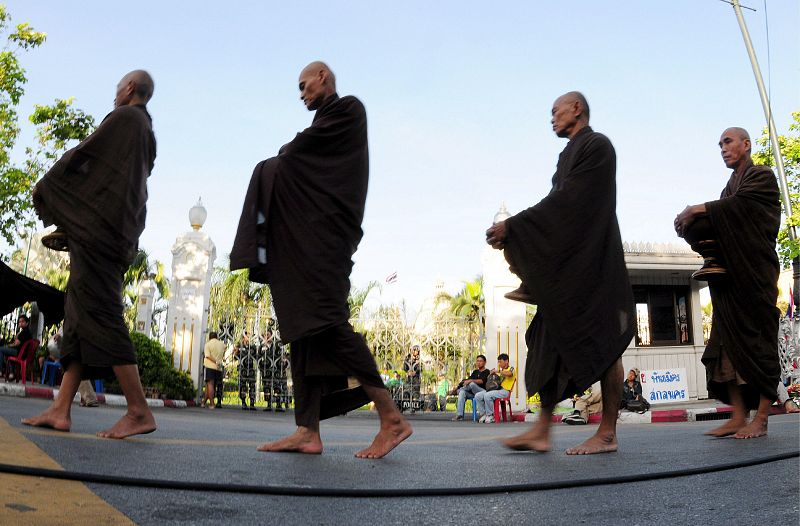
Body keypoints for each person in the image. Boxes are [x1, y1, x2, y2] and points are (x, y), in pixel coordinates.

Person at [229, 61, 411, 458]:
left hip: (326, 239)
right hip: (304, 240)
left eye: (303, 85)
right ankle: (306, 430)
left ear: (322, 77)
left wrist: (275, 164)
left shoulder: (348, 110)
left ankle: (392, 418)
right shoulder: (324, 122)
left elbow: (300, 153)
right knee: (302, 329)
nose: (301, 94)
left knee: (328, 324)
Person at [487, 92, 635, 454]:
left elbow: (573, 203)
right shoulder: (566, 154)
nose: (551, 118)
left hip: (595, 263)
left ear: (577, 109)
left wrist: (516, 226)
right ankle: (542, 428)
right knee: (549, 341)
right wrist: (520, 233)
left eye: (555, 110)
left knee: (606, 346)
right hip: (570, 269)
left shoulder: (598, 146)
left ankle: (608, 432)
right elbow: (558, 206)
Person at [22, 70, 157, 439]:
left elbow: (84, 155)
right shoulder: (147, 134)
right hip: (114, 234)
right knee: (79, 317)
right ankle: (61, 408)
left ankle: (138, 409)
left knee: (102, 312)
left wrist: (49, 188)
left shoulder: (126, 118)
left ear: (129, 89)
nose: (114, 94)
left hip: (101, 234)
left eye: (117, 88)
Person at [674, 127, 781, 439]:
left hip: (754, 275)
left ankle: (760, 418)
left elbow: (743, 208)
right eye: (719, 144)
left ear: (746, 145)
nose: (723, 148)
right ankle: (738, 415)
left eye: (728, 142)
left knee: (758, 343)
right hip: (729, 278)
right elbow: (720, 223)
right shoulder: (726, 190)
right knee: (725, 345)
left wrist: (695, 209)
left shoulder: (761, 176)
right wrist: (689, 225)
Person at [474, 354, 516, 423]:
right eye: (498, 362)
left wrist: (498, 371)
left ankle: (490, 415)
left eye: (500, 362)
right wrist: (492, 374)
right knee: (478, 395)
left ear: (506, 361)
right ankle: (484, 414)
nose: (499, 364)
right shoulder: (500, 370)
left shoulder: (511, 368)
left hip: (505, 391)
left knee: (488, 395)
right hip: (496, 390)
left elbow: (509, 374)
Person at [451, 354, 490, 421]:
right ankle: (459, 415)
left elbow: (482, 381)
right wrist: (458, 386)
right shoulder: (475, 372)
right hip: (472, 393)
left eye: (480, 361)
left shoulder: (487, 372)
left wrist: (471, 380)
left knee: (471, 384)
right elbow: (467, 380)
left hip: (481, 392)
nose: (478, 363)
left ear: (485, 362)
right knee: (462, 392)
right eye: (477, 361)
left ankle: (457, 391)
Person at [202, 332, 226, 409]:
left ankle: (212, 403)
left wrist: (215, 361)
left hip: (209, 366)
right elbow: (226, 350)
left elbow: (207, 356)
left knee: (210, 384)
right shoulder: (222, 344)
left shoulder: (208, 344)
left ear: (209, 337)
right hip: (218, 368)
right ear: (217, 337)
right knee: (208, 385)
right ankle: (204, 402)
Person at [235, 333, 258, 411]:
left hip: (250, 369)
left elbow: (256, 356)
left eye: (250, 336)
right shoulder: (239, 346)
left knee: (252, 386)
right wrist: (235, 352)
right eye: (247, 336)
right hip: (242, 369)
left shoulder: (253, 347)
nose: (249, 337)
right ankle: (243, 403)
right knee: (243, 387)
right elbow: (235, 357)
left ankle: (252, 403)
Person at [402, 345, 422, 413]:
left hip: (416, 378)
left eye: (418, 351)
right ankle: (406, 406)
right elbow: (404, 367)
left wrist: (415, 372)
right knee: (407, 390)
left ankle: (413, 407)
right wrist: (408, 372)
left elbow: (420, 368)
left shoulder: (419, 359)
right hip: (409, 377)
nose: (417, 352)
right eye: (416, 350)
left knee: (415, 392)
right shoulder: (407, 358)